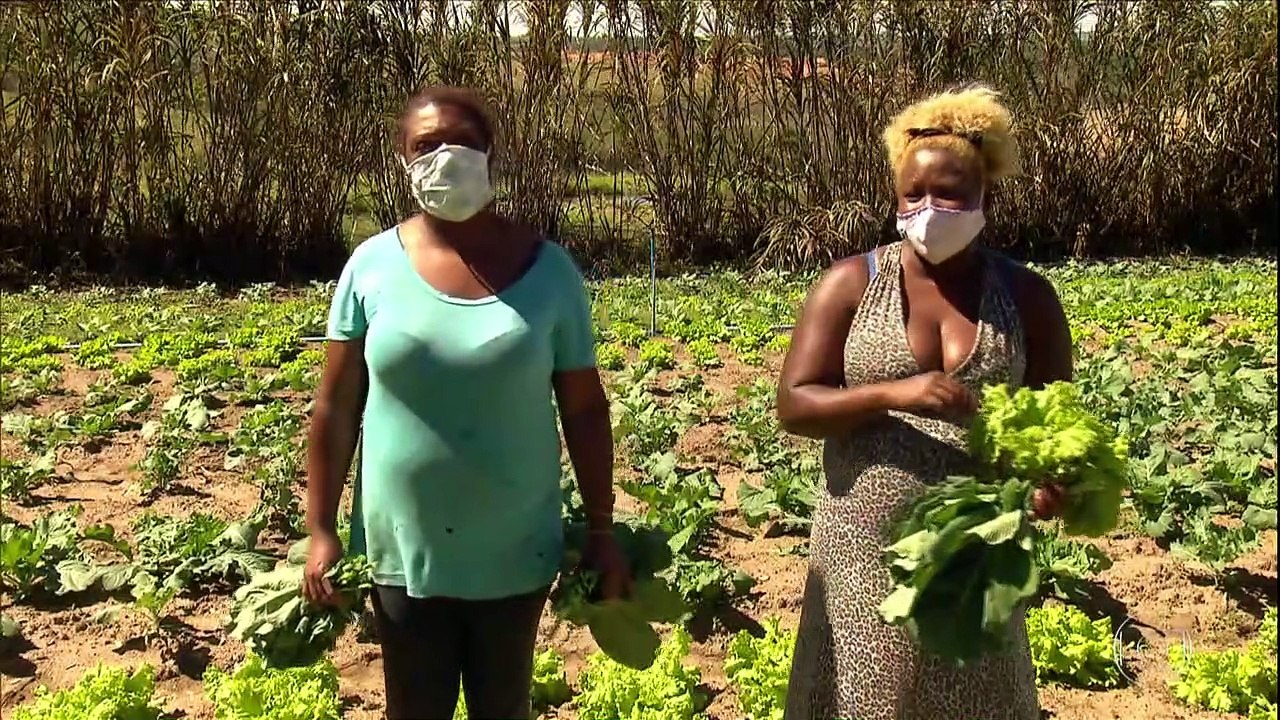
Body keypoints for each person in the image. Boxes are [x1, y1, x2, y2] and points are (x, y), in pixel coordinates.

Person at [301, 85, 629, 720]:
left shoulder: (550, 272)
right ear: (402, 160)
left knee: (501, 707)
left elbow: (585, 411)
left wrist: (600, 528)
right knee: (414, 707)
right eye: (426, 145)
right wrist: (321, 531)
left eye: (460, 142)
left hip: (513, 549)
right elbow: (335, 410)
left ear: (489, 154)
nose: (444, 156)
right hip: (404, 549)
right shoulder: (371, 268)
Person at [775, 84, 1073, 720]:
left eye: (950, 195)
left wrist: (1047, 486)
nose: (929, 209)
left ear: (985, 196)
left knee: (975, 697)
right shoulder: (849, 284)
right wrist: (892, 393)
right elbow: (795, 405)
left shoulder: (1028, 299)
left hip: (976, 550)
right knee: (864, 700)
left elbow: (1054, 426)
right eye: (914, 195)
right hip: (862, 543)